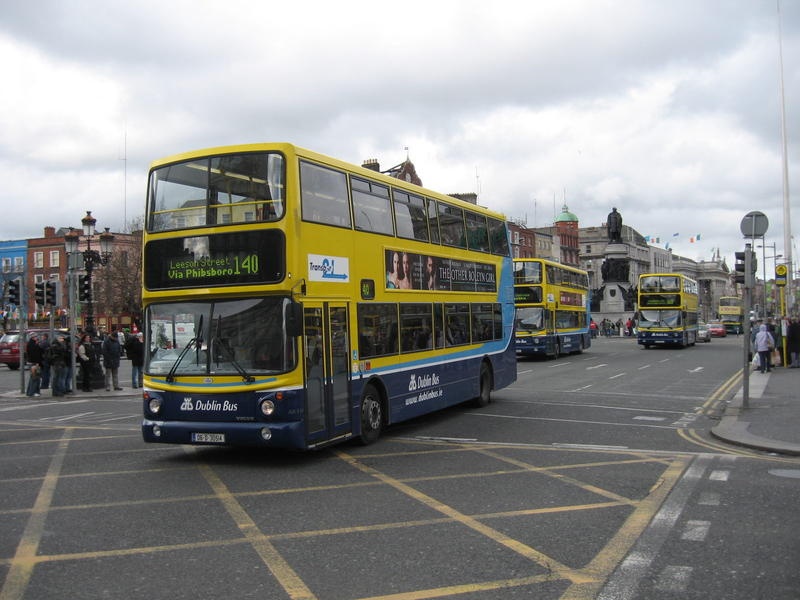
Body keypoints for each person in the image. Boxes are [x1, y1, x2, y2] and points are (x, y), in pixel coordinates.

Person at [102, 326, 123, 391]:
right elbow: (105, 351)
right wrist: (109, 359)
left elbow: (119, 349)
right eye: (115, 338)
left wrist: (118, 356)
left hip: (115, 360)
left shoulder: (116, 341)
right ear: (112, 336)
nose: (116, 339)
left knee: (115, 374)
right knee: (108, 375)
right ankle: (107, 387)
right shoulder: (107, 341)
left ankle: (116, 386)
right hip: (109, 360)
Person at [26, 333, 44, 397]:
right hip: (34, 363)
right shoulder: (32, 344)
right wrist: (37, 363)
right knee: (35, 378)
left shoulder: (33, 344)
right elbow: (34, 355)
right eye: (36, 336)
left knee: (34, 378)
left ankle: (31, 392)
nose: (37, 338)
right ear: (33, 337)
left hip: (33, 362)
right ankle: (32, 392)